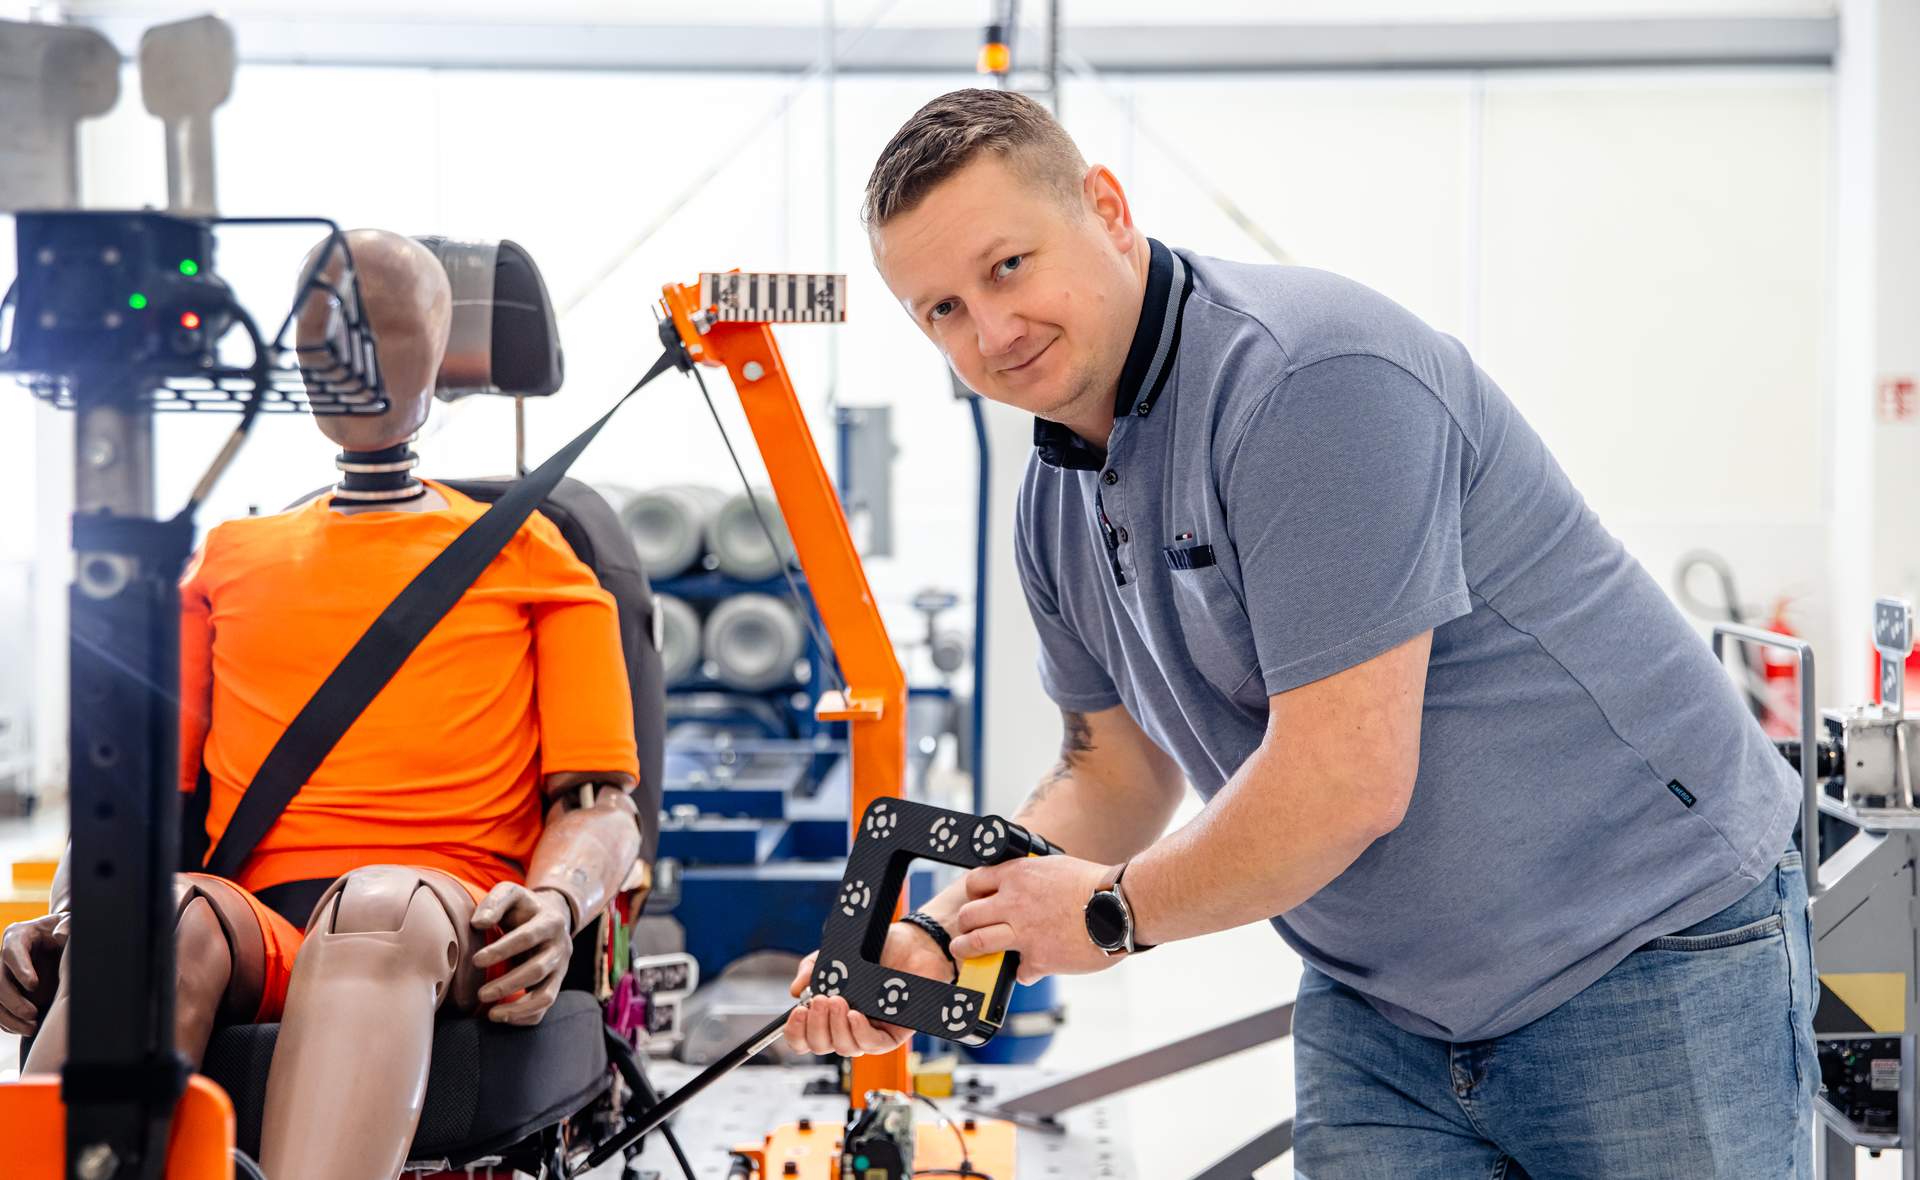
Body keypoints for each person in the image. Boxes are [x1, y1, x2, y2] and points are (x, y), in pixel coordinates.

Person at [783, 88, 1817, 1178]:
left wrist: (1109, 913)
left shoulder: (1307, 381)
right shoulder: (1054, 500)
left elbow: (1345, 779)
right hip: (1383, 1001)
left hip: (1643, 949)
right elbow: (1116, 774)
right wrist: (941, 935)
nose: (991, 332)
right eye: (942, 309)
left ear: (1108, 210)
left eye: (1008, 266)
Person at [0, 229, 645, 1180]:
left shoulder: (537, 555)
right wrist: (72, 914)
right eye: (329, 337)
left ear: (440, 351)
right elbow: (132, 799)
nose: (353, 359)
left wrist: (556, 902)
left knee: (379, 910)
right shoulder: (228, 559)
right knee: (152, 923)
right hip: (254, 923)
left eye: (385, 333)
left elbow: (598, 803)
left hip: (449, 919)